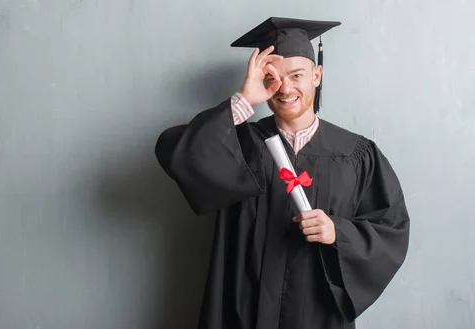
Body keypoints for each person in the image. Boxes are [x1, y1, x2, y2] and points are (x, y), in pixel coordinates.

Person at [154, 17, 410, 329]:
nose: (285, 88)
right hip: (243, 313)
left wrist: (338, 234)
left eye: (297, 75)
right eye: (273, 77)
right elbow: (180, 154)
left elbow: (391, 230)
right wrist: (243, 100)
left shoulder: (356, 155)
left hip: (317, 317)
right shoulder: (240, 142)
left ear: (317, 75)